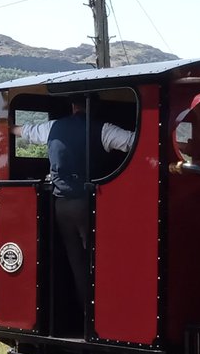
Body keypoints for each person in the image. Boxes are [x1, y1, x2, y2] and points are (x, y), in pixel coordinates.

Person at [12, 98, 135, 333]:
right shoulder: (104, 129)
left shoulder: (53, 128)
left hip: (62, 205)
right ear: (95, 109)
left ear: (72, 107)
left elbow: (24, 132)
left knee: (78, 264)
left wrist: (8, 126)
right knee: (99, 262)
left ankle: (87, 319)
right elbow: (133, 142)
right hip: (89, 204)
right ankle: (105, 319)